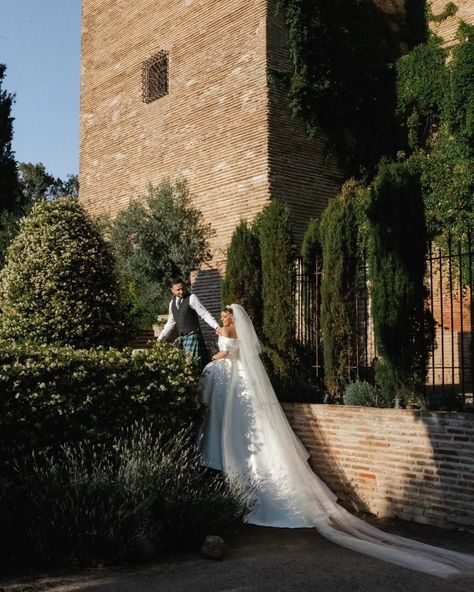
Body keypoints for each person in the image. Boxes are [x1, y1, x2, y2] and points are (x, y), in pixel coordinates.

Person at [198, 304, 474, 579]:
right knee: (256, 423)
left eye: (225, 314)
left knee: (243, 424)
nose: (224, 318)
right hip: (243, 379)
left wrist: (215, 358)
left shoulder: (229, 330)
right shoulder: (237, 330)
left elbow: (226, 352)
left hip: (234, 379)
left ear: (232, 317)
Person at [157, 278, 221, 368]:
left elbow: (204, 314)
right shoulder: (172, 304)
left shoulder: (192, 298)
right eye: (178, 290)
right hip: (182, 338)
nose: (181, 291)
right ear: (172, 290)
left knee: (191, 364)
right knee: (187, 365)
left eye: (182, 288)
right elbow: (170, 323)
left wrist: (216, 326)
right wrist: (160, 339)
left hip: (193, 335)